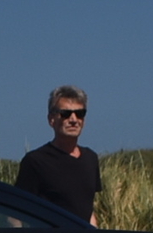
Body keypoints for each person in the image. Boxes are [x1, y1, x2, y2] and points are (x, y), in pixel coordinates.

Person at [15, 87, 100, 224]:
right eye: (65, 114)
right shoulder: (36, 161)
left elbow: (88, 210)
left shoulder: (90, 158)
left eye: (80, 113)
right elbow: (16, 213)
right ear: (51, 120)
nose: (73, 119)